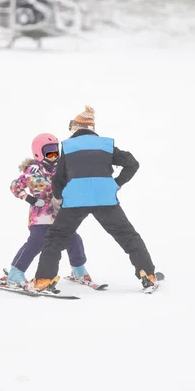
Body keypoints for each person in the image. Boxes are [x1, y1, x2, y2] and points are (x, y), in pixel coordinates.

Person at [27, 106, 158, 293]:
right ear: (92, 129)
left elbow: (59, 178)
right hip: (105, 200)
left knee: (55, 238)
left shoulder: (69, 146)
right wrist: (116, 183)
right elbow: (132, 163)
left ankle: (44, 280)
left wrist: (59, 196)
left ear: (75, 128)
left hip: (74, 200)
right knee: (127, 236)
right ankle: (148, 275)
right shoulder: (105, 145)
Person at [0, 132, 93, 287]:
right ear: (39, 153)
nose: (54, 157)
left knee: (74, 240)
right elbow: (15, 186)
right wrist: (29, 198)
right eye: (49, 154)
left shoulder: (62, 169)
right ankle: (15, 272)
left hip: (60, 214)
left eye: (56, 152)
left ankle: (78, 270)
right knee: (37, 241)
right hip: (40, 216)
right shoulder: (32, 171)